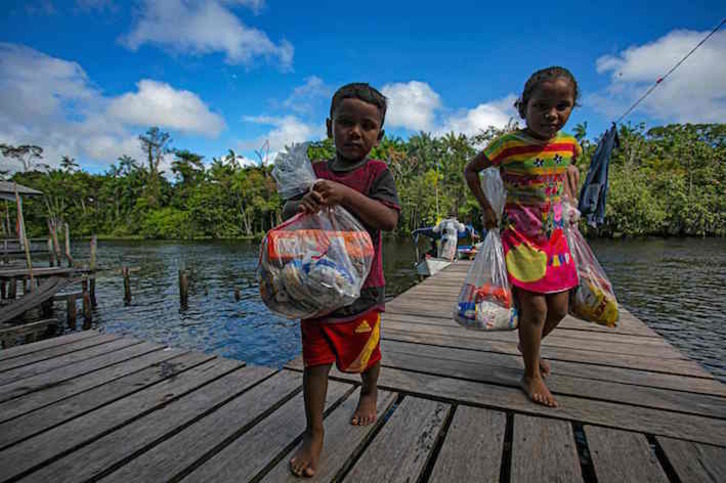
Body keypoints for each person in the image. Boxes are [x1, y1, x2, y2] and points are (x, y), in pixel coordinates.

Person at [282, 83, 400, 477]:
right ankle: (314, 432)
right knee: (315, 361)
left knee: (365, 353)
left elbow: (388, 219)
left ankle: (368, 390)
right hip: (316, 287)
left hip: (364, 289)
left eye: (367, 126)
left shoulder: (377, 173)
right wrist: (303, 201)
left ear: (379, 135)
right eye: (346, 123)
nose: (355, 132)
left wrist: (345, 196)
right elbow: (287, 208)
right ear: (329, 126)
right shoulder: (314, 173)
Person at [464, 66, 582, 407]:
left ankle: (528, 346)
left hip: (556, 236)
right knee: (534, 308)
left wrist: (570, 202)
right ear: (523, 107)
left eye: (563, 106)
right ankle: (529, 373)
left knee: (560, 308)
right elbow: (471, 169)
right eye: (541, 106)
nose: (552, 114)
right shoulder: (508, 145)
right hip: (520, 235)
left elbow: (568, 172)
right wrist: (487, 208)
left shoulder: (570, 145)